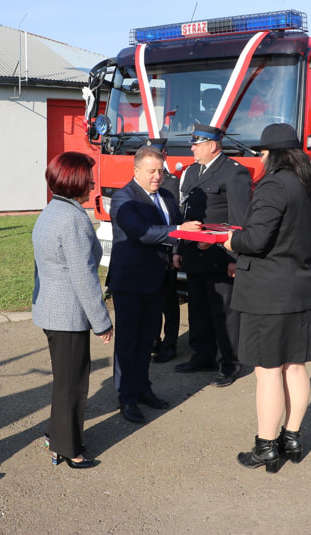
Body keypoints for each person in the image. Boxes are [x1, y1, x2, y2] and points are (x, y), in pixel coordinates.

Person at [222, 123, 311, 473]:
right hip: (298, 286)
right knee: (295, 365)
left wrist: (230, 242)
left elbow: (255, 241)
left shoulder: (273, 185)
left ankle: (266, 446)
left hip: (268, 294)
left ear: (273, 153)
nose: (260, 159)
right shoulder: (307, 186)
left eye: (261, 152)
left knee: (267, 372)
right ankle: (291, 438)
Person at [32, 151, 113, 469]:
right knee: (72, 383)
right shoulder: (74, 219)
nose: (93, 183)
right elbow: (84, 276)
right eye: (89, 178)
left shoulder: (52, 210)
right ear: (75, 180)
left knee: (65, 379)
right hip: (67, 314)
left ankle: (57, 435)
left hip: (53, 309)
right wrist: (102, 321)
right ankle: (67, 448)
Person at [108, 146, 201, 423]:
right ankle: (126, 399)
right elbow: (142, 233)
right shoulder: (123, 198)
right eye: (151, 171)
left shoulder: (168, 197)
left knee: (147, 339)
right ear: (136, 171)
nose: (158, 176)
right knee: (128, 342)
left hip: (158, 280)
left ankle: (143, 389)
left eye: (161, 170)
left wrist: (183, 244)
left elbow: (177, 228)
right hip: (131, 282)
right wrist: (177, 232)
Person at [175, 123, 251, 387]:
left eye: (197, 143)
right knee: (198, 310)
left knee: (225, 314)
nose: (192, 148)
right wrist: (179, 249)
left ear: (213, 145)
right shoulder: (192, 171)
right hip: (195, 254)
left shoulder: (234, 173)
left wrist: (235, 260)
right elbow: (185, 214)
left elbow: (240, 221)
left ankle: (229, 363)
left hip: (221, 256)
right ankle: (202, 355)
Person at [149, 137, 181, 364]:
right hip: (148, 255)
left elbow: (178, 221)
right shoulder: (139, 186)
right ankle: (153, 340)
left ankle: (170, 344)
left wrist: (177, 251)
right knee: (151, 301)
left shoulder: (172, 185)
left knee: (169, 303)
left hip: (168, 253)